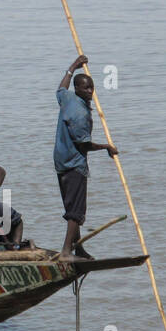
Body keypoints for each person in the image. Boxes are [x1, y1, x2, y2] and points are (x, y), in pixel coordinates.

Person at [54, 55, 118, 259]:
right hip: (74, 163)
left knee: (71, 205)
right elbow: (84, 145)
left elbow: (60, 88)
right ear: (78, 89)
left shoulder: (67, 98)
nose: (90, 92)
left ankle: (78, 248)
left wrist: (73, 66)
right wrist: (106, 147)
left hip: (60, 161)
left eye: (92, 88)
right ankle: (66, 251)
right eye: (85, 89)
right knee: (76, 211)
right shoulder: (80, 114)